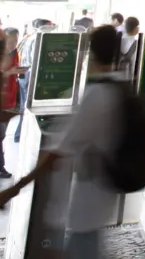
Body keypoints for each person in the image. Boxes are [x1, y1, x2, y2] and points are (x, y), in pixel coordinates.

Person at [0, 25, 126, 258]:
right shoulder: (120, 87)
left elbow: (59, 152)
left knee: (79, 248)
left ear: (92, 54)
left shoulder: (97, 95)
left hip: (87, 201)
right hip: (102, 196)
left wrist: (16, 188)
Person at [0, 28, 20, 178]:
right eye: (10, 41)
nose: (13, 44)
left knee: (2, 136)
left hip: (8, 101)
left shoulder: (14, 54)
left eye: (15, 41)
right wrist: (8, 73)